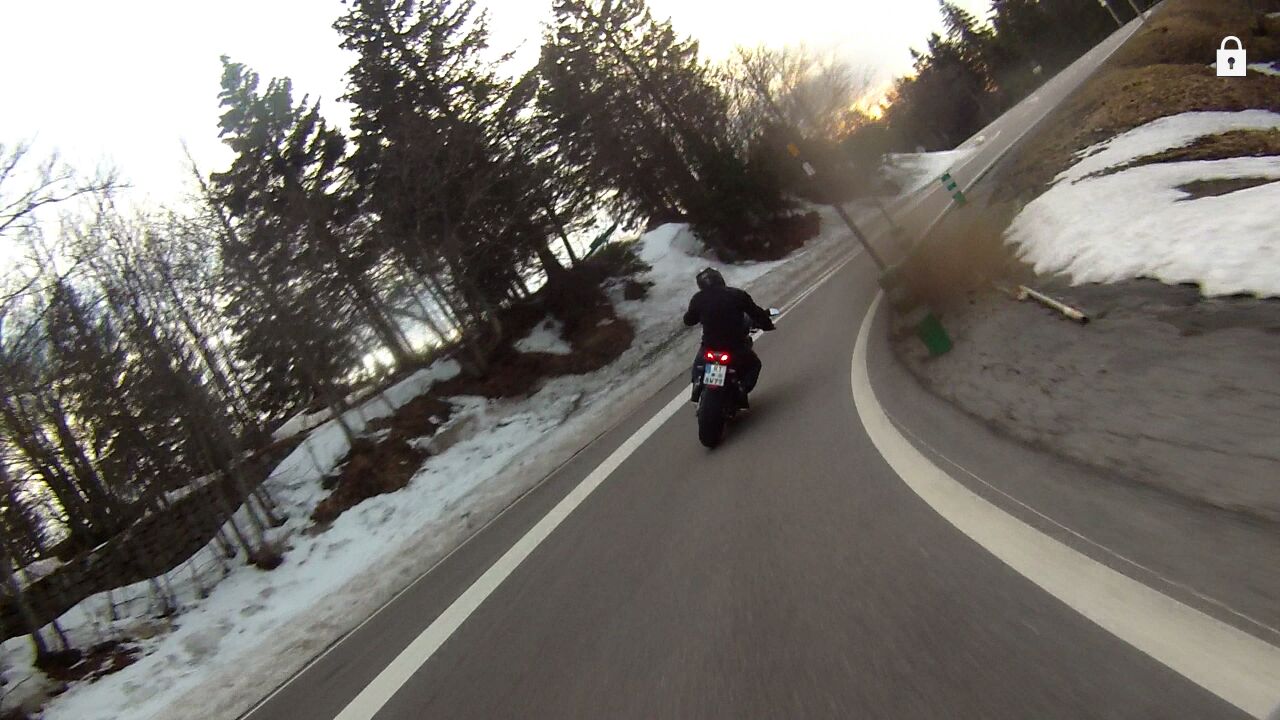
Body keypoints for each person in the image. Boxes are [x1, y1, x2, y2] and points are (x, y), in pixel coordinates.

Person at [683, 267, 774, 406]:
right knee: (754, 365)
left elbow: (689, 320)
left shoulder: (698, 299)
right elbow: (756, 312)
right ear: (720, 278)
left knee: (700, 363)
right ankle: (742, 389)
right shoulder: (736, 294)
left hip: (710, 346)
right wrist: (767, 324)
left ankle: (697, 385)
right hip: (735, 345)